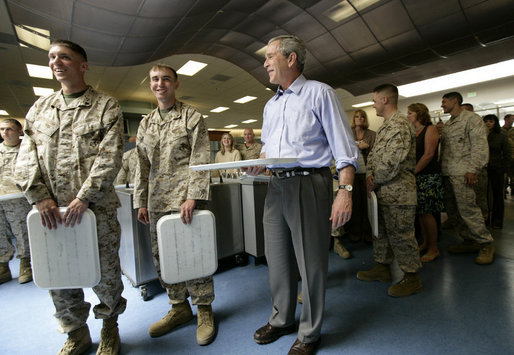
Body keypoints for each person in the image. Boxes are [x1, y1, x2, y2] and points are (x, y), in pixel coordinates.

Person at [243, 35, 358, 355]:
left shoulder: (320, 93)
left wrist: (345, 191)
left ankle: (309, 332)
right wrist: (258, 166)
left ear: (291, 59)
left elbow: (344, 150)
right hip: (276, 187)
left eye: (270, 56)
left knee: (311, 263)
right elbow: (269, 152)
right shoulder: (271, 105)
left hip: (309, 183)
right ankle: (282, 320)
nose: (265, 63)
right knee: (277, 259)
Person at [15, 39, 126, 354]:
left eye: (64, 56)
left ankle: (109, 328)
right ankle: (76, 333)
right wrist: (39, 196)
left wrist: (86, 196)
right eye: (52, 57)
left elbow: (110, 156)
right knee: (59, 274)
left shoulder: (106, 106)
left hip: (95, 210)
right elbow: (25, 157)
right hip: (51, 213)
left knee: (105, 274)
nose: (56, 62)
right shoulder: (39, 109)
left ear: (83, 65)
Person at [133, 64, 215, 346]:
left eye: (166, 79)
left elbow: (201, 158)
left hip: (185, 201)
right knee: (163, 256)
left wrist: (193, 195)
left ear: (176, 84)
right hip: (156, 201)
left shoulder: (191, 116)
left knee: (194, 252)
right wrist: (140, 200)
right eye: (155, 79)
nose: (160, 84)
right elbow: (141, 165)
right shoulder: (146, 123)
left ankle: (204, 308)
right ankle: (179, 307)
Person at [357, 84, 422, 297]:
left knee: (402, 235)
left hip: (398, 192)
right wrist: (370, 178)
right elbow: (375, 157)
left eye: (375, 100)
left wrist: (375, 180)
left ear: (385, 100)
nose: (373, 104)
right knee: (381, 232)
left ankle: (412, 277)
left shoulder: (400, 125)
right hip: (383, 191)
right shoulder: (386, 126)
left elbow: (394, 161)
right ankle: (382, 268)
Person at [440, 91, 494, 264]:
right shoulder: (448, 124)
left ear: (455, 100)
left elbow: (480, 146)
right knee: (453, 211)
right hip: (449, 173)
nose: (442, 105)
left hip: (464, 174)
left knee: (468, 210)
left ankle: (486, 244)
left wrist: (473, 169)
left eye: (444, 101)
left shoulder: (472, 119)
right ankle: (468, 240)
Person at [406, 103, 444, 262]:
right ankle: (426, 242)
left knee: (428, 213)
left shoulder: (430, 129)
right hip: (418, 177)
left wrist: (413, 171)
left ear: (419, 114)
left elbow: (428, 155)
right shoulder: (414, 131)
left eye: (410, 113)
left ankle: (434, 248)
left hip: (428, 176)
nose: (407, 116)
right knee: (421, 213)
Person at [0, 119, 32, 284]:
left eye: (10, 129)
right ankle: (2, 266)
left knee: (21, 232)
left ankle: (25, 264)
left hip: (17, 199)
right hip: (0, 198)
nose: (5, 132)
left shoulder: (27, 150)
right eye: (2, 129)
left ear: (19, 131)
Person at [344, 109, 375, 244]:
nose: (359, 119)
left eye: (362, 116)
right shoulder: (347, 133)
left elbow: (376, 154)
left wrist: (367, 147)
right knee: (354, 204)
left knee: (367, 205)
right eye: (357, 116)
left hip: (366, 173)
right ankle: (355, 232)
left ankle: (368, 233)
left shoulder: (371, 134)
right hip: (351, 173)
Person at [483, 114, 511, 229]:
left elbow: (507, 153)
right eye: (486, 121)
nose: (488, 123)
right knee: (483, 196)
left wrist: (504, 168)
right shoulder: (481, 136)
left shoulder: (501, 136)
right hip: (483, 169)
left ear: (495, 123)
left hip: (497, 168)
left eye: (491, 121)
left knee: (497, 195)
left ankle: (497, 221)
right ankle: (485, 219)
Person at [501, 114, 514, 194]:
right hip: (504, 157)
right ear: (505, 119)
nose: (512, 121)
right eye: (511, 119)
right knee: (504, 176)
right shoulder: (500, 131)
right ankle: (504, 189)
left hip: (513, 156)